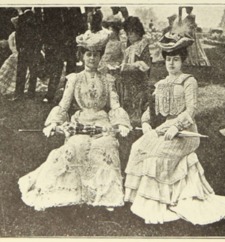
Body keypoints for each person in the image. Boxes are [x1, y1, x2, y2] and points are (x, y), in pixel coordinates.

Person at [124, 32, 225, 225]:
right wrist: (145, 123)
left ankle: (162, 200)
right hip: (164, 129)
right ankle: (141, 199)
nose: (171, 64)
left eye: (176, 60)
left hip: (186, 133)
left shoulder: (188, 81)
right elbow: (150, 110)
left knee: (157, 154)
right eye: (168, 59)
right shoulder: (161, 83)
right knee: (137, 147)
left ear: (182, 61)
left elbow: (191, 110)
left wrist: (176, 126)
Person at [18, 28, 132, 211]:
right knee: (76, 146)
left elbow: (115, 105)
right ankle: (71, 190)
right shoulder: (75, 79)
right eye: (88, 54)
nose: (92, 59)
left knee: (106, 147)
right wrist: (54, 122)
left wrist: (121, 123)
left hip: (102, 123)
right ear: (82, 56)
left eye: (96, 55)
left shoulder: (107, 79)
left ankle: (103, 193)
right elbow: (64, 106)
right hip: (80, 123)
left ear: (100, 56)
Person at [120, 16, 152, 123]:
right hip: (128, 78)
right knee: (128, 98)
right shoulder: (129, 48)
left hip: (140, 79)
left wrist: (135, 65)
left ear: (138, 32)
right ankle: (130, 117)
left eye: (132, 33)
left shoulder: (143, 45)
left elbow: (146, 65)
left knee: (140, 100)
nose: (129, 36)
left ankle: (140, 118)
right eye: (127, 33)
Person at [12, 7, 42, 101]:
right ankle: (31, 94)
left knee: (21, 72)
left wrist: (19, 47)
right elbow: (40, 35)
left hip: (24, 49)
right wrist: (38, 48)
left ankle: (18, 94)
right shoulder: (37, 18)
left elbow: (18, 34)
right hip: (33, 49)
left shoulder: (21, 18)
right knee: (33, 72)